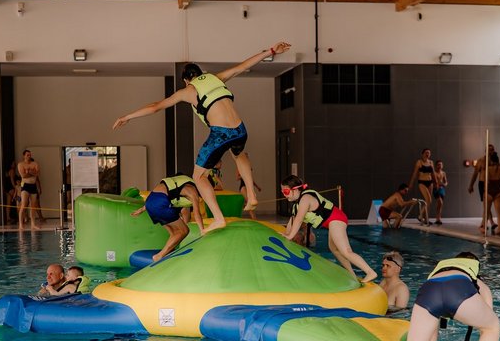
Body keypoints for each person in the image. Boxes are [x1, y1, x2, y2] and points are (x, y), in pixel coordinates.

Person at [113, 41, 292, 233]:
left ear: (186, 80)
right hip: (241, 129)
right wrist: (271, 51)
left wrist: (127, 116)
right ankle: (251, 193)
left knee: (198, 176)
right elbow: (244, 66)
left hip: (221, 133)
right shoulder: (216, 78)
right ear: (200, 73)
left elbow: (156, 106)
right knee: (239, 155)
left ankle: (218, 218)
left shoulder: (188, 90)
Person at [280, 175, 377, 282]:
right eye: (283, 192)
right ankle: (352, 274)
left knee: (346, 251)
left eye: (286, 192)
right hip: (332, 221)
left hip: (336, 218)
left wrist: (289, 236)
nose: (284, 195)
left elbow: (298, 220)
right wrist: (286, 235)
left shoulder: (305, 198)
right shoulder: (296, 205)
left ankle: (370, 272)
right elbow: (292, 221)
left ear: (296, 189)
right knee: (334, 248)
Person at [131, 174, 205, 262]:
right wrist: (202, 231)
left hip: (150, 203)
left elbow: (158, 194)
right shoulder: (192, 191)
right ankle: (159, 256)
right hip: (160, 204)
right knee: (184, 231)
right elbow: (197, 213)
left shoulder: (183, 187)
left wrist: (142, 209)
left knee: (174, 233)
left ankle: (168, 252)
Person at [468, 144, 496, 231]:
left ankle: (489, 222)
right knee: (486, 204)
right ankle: (486, 223)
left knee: (488, 204)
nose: (491, 151)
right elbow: (475, 174)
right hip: (482, 183)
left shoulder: (495, 161)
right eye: (489, 150)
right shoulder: (481, 161)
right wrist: (471, 185)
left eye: (492, 150)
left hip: (492, 183)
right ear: (486, 151)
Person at [407, 148, 434, 225]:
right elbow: (414, 174)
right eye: (426, 152)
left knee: (428, 202)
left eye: (429, 153)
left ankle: (426, 219)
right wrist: (410, 185)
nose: (427, 154)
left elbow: (433, 174)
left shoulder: (431, 162)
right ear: (422, 154)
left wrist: (436, 183)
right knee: (428, 200)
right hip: (422, 182)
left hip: (430, 182)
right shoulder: (419, 162)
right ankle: (420, 216)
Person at [18, 149, 41, 229]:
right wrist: (32, 172)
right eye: (27, 155)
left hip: (33, 185)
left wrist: (29, 172)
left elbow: (37, 173)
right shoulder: (20, 164)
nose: (29, 156)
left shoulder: (35, 163)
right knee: (24, 204)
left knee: (33, 206)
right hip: (25, 186)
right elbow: (23, 176)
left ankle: (33, 224)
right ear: (24, 156)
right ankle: (21, 224)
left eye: (30, 155)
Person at [484, 151, 500, 234]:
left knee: (487, 211)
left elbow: (486, 182)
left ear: (491, 161)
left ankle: (484, 227)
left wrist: (485, 192)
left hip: (489, 191)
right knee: (499, 212)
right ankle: (499, 228)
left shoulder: (488, 169)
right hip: (498, 191)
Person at [432, 160, 448, 225]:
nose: (439, 166)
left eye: (440, 165)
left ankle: (438, 218)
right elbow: (431, 182)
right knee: (440, 202)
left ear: (442, 166)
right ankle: (438, 218)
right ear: (436, 166)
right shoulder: (433, 173)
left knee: (440, 205)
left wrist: (444, 184)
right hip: (435, 189)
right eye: (438, 164)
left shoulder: (443, 173)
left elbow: (446, 182)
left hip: (442, 189)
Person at [4, 160, 19, 224]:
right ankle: (21, 217)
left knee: (8, 204)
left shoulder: (7, 172)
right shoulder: (12, 171)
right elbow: (12, 181)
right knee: (19, 200)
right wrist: (16, 187)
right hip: (11, 188)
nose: (14, 164)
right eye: (13, 163)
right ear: (10, 164)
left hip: (7, 188)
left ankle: (8, 218)